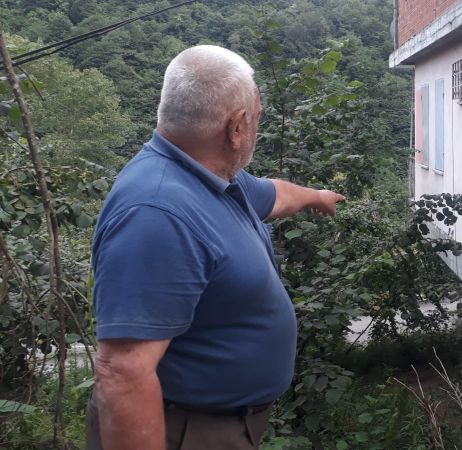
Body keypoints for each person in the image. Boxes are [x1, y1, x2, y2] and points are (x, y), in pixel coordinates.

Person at [84, 45, 345, 450]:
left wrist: (317, 196)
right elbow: (123, 372)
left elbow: (275, 195)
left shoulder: (213, 178)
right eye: (256, 117)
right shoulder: (157, 213)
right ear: (236, 127)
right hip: (184, 431)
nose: (257, 126)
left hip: (216, 425)